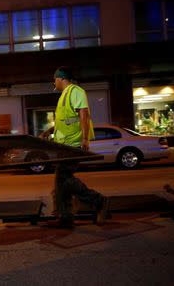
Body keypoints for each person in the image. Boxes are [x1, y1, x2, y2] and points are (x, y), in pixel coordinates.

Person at [47, 66, 109, 228]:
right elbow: (65, 121)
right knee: (62, 182)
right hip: (64, 145)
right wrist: (48, 132)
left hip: (73, 145)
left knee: (63, 180)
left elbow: (83, 114)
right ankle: (65, 217)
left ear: (60, 79)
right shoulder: (64, 96)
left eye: (55, 79)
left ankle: (98, 201)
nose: (54, 82)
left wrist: (85, 138)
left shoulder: (75, 91)